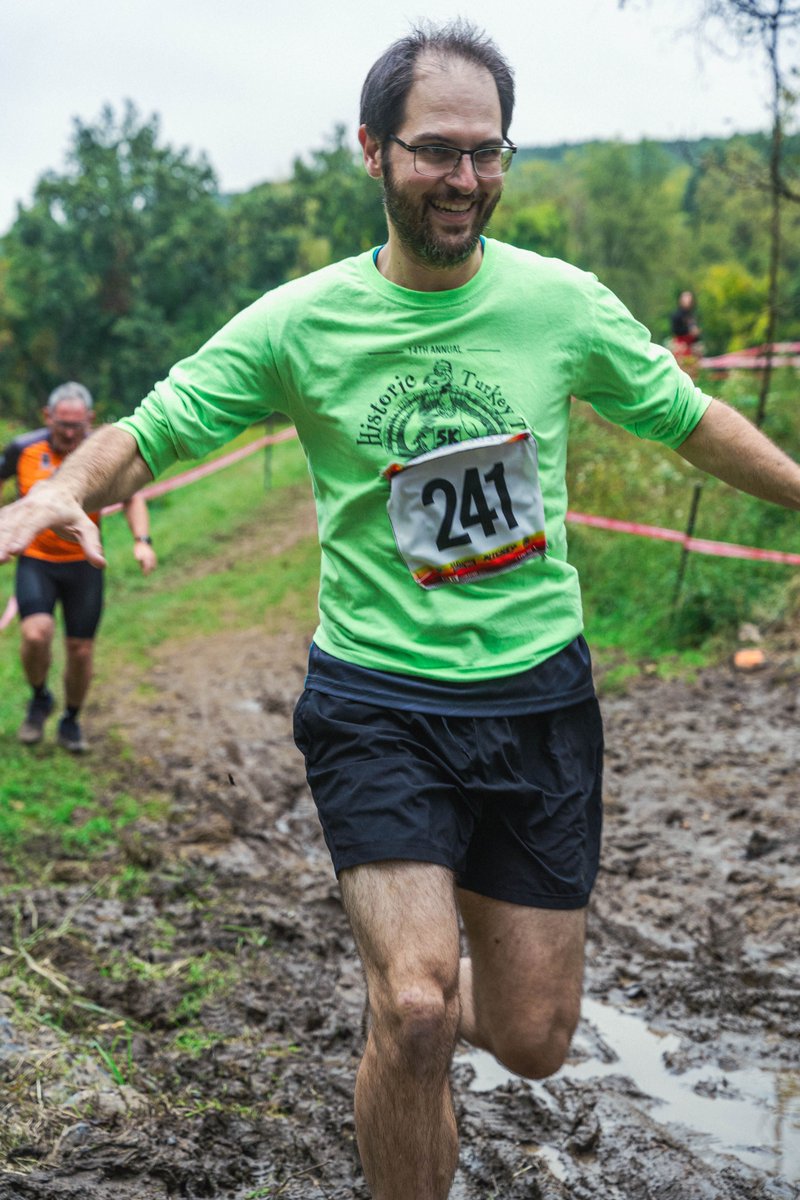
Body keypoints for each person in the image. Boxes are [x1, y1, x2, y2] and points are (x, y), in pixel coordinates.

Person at [1, 22, 799, 1198]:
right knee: (418, 1009)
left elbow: (685, 417)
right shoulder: (298, 323)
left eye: (486, 153)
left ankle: (421, 993)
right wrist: (63, 488)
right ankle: (399, 1008)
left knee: (530, 1039)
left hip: (535, 700)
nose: (462, 179)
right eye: (435, 150)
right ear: (371, 150)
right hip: (376, 700)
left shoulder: (560, 304)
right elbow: (154, 429)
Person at [0, 382, 157, 752]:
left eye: (77, 426)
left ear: (89, 419)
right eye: (62, 425)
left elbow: (133, 497)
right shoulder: (23, 448)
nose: (70, 434)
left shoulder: (101, 453)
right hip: (36, 560)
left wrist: (142, 541)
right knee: (36, 634)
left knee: (80, 650)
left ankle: (71, 719)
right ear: (47, 417)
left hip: (84, 564)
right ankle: (40, 698)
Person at [670, 288, 703, 373]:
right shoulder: (676, 315)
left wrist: (696, 333)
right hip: (681, 345)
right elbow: (675, 330)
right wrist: (689, 331)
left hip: (692, 345)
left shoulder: (692, 315)